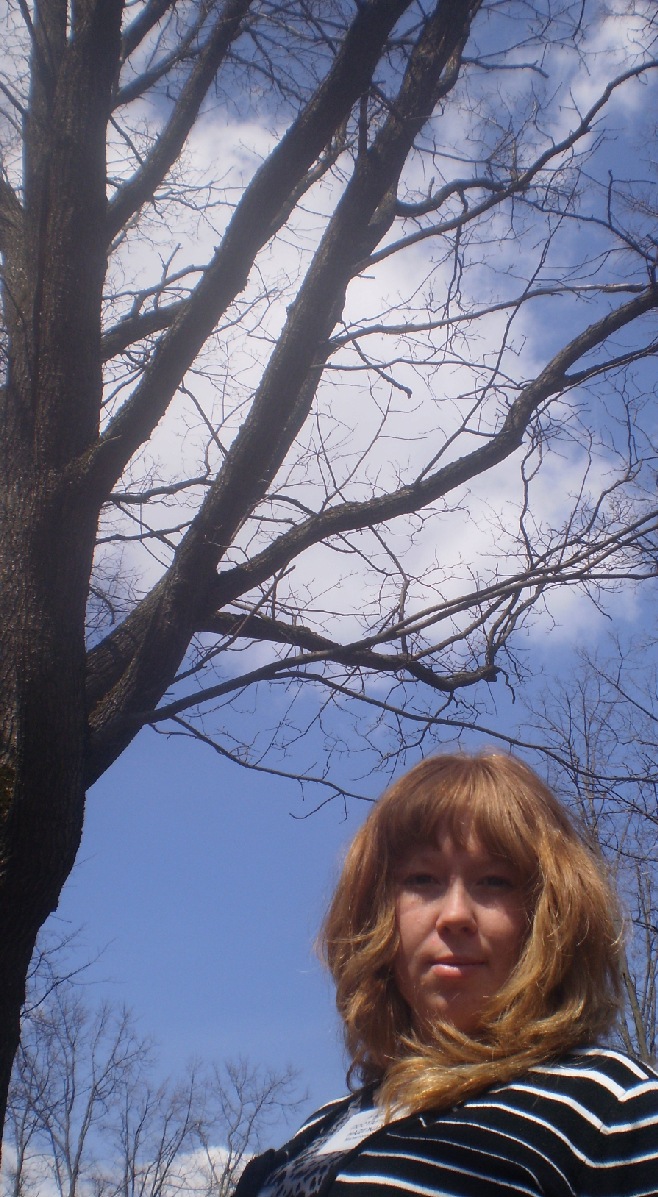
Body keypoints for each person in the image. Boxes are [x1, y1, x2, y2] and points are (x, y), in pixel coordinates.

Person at [234, 752, 658, 1197]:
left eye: (494, 881)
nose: (455, 915)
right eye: (422, 879)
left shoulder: (615, 1110)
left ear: (551, 913)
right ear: (376, 914)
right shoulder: (317, 1130)